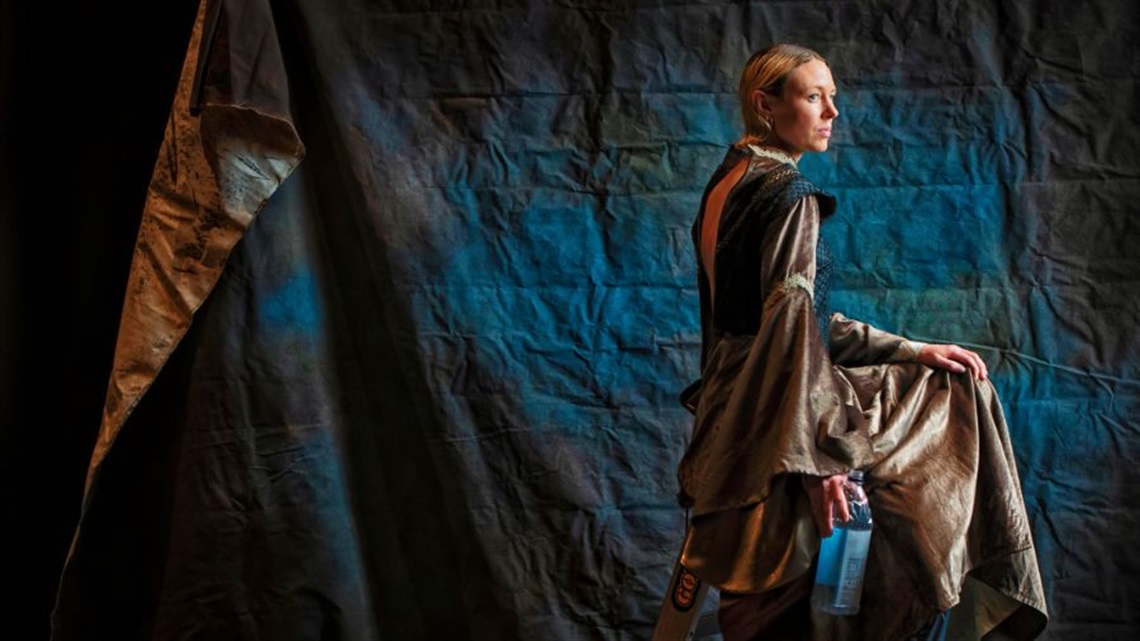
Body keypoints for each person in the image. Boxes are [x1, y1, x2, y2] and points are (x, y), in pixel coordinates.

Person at [675, 44, 1048, 641]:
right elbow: (791, 332)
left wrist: (912, 348)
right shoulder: (790, 196)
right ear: (765, 105)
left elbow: (780, 320)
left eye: (833, 98)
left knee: (933, 375)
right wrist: (821, 459)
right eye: (813, 96)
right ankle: (941, 580)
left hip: (732, 401)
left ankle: (908, 583)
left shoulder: (728, 181)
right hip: (776, 408)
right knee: (956, 399)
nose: (831, 113)